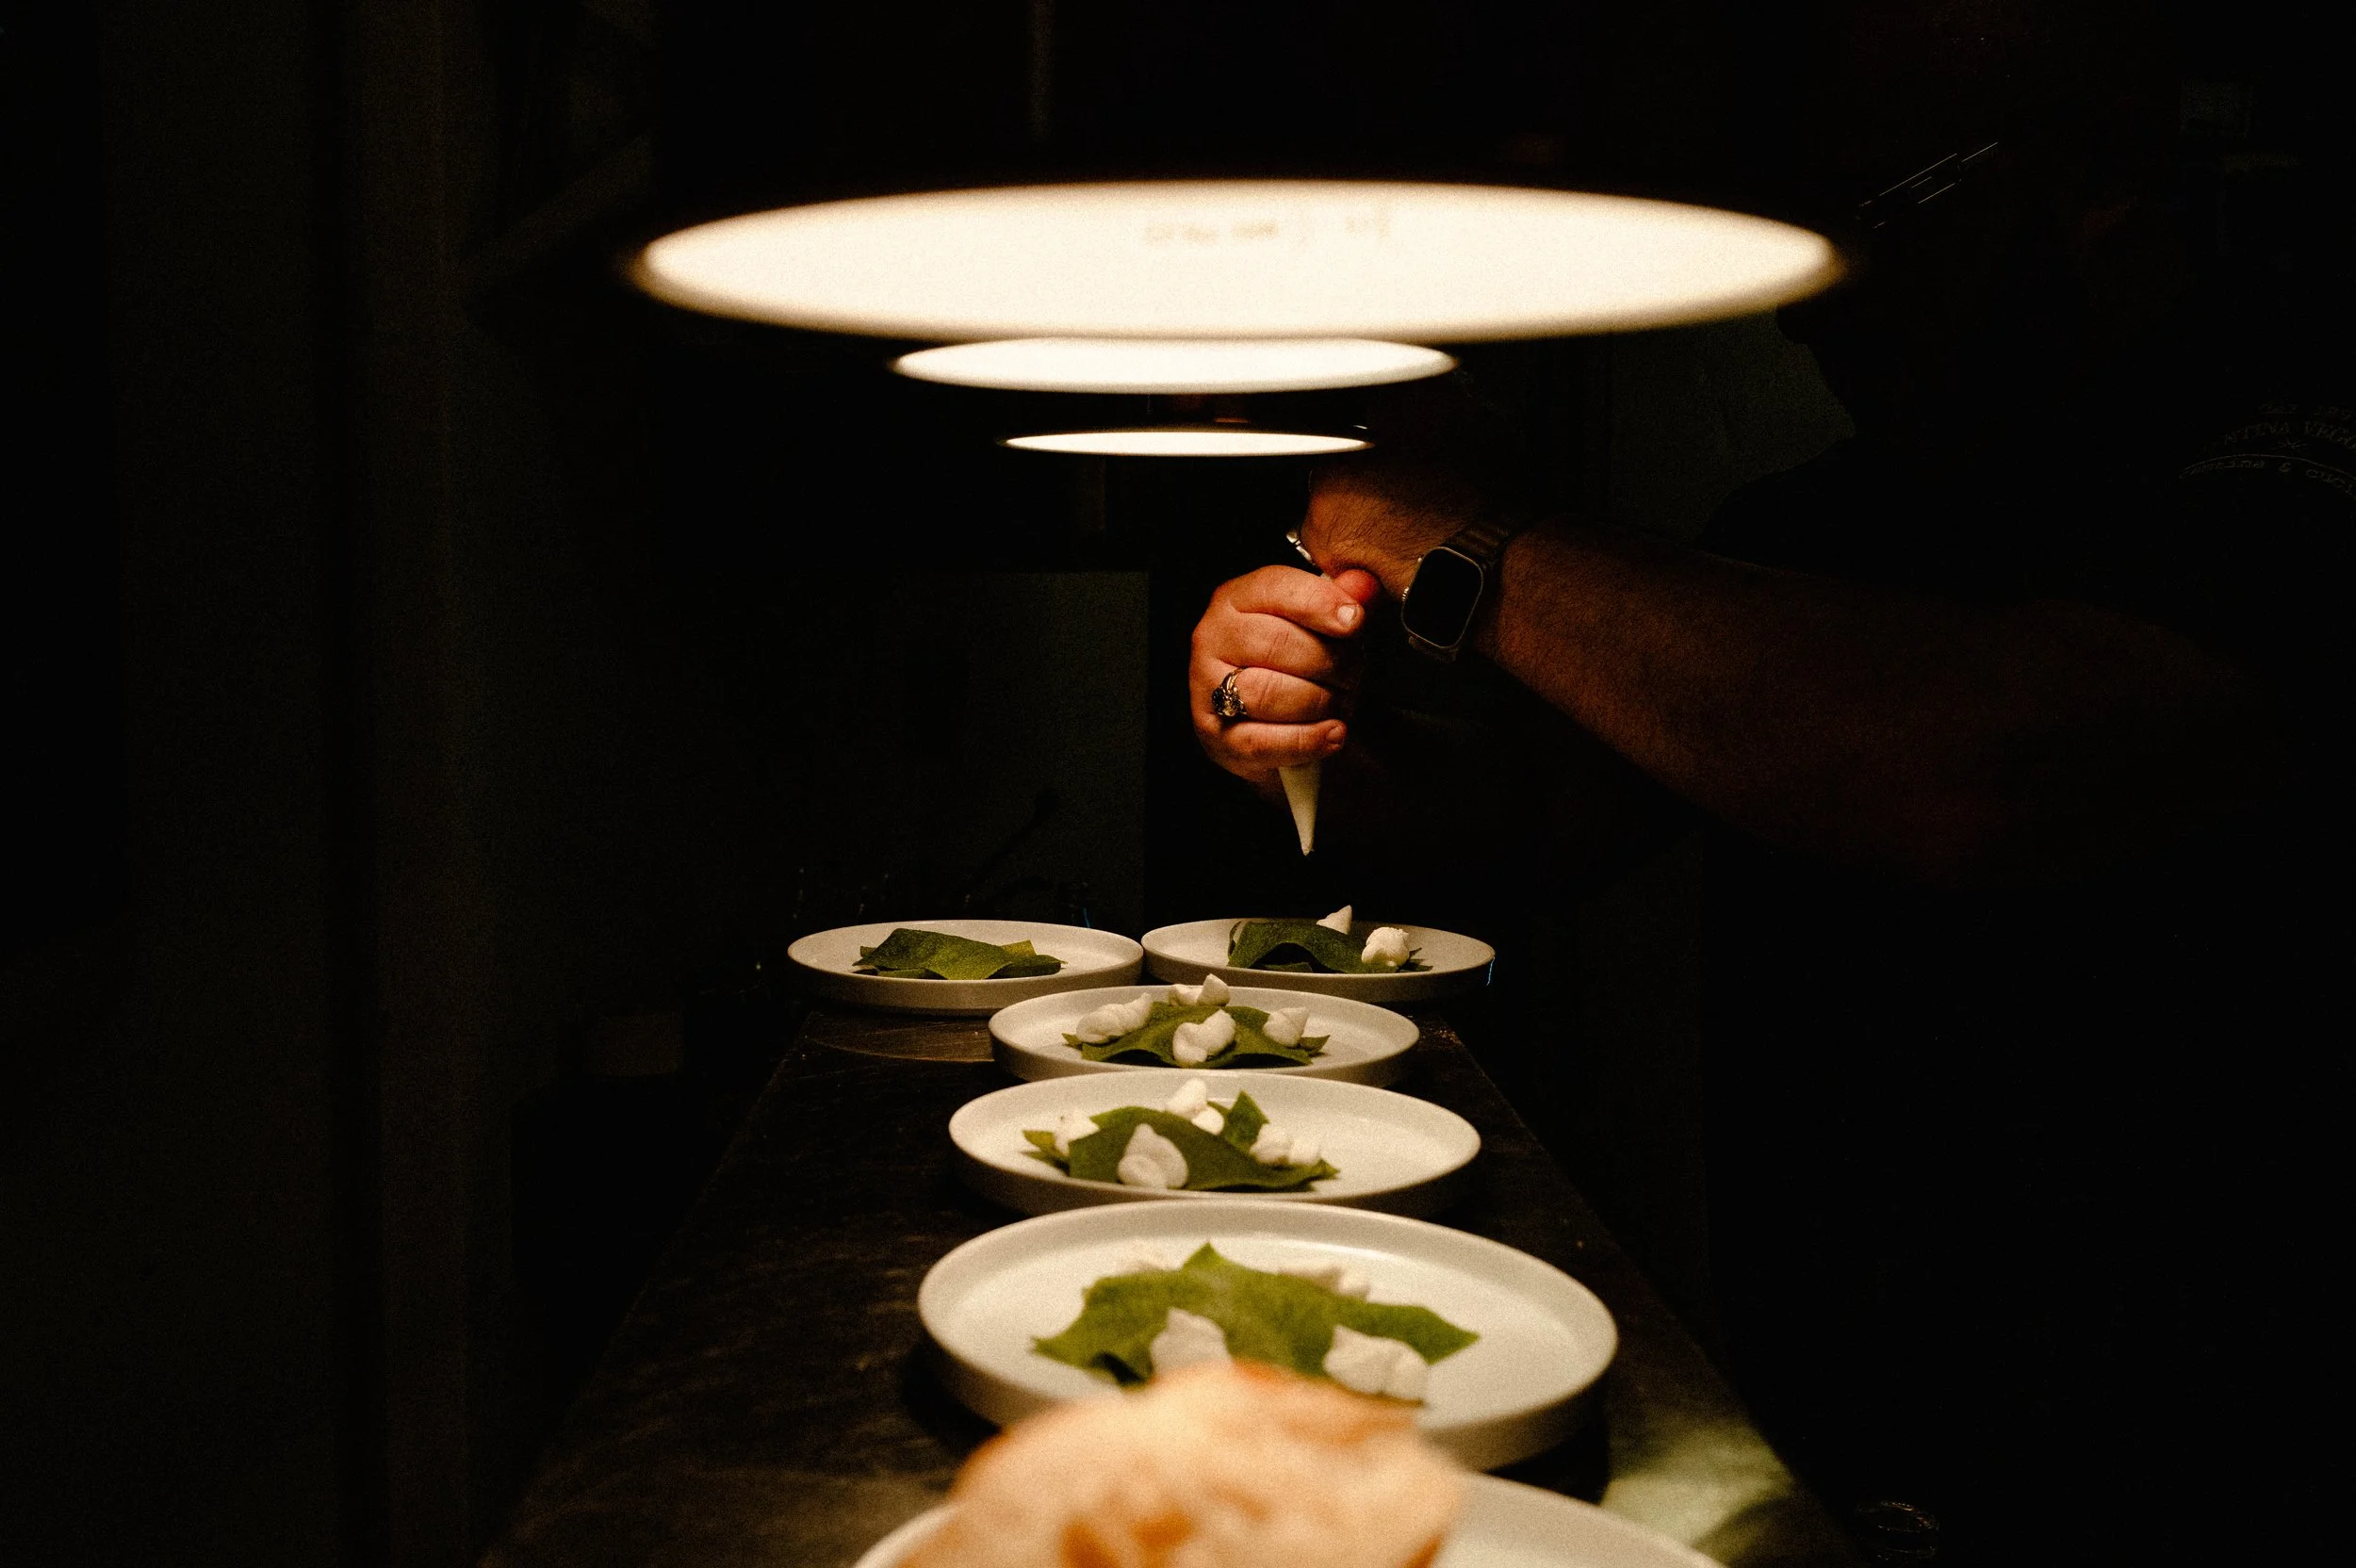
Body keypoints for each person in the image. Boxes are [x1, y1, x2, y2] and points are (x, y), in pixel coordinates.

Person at [1187, 5, 2347, 1561]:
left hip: (2222, 1454)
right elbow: (1533, 820)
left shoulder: (2293, 446)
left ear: (2098, 176)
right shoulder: (1825, 518)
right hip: (1850, 1421)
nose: (1806, 311)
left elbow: (1990, 767)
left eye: (1874, 214)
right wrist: (1296, 727)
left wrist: (1460, 541)